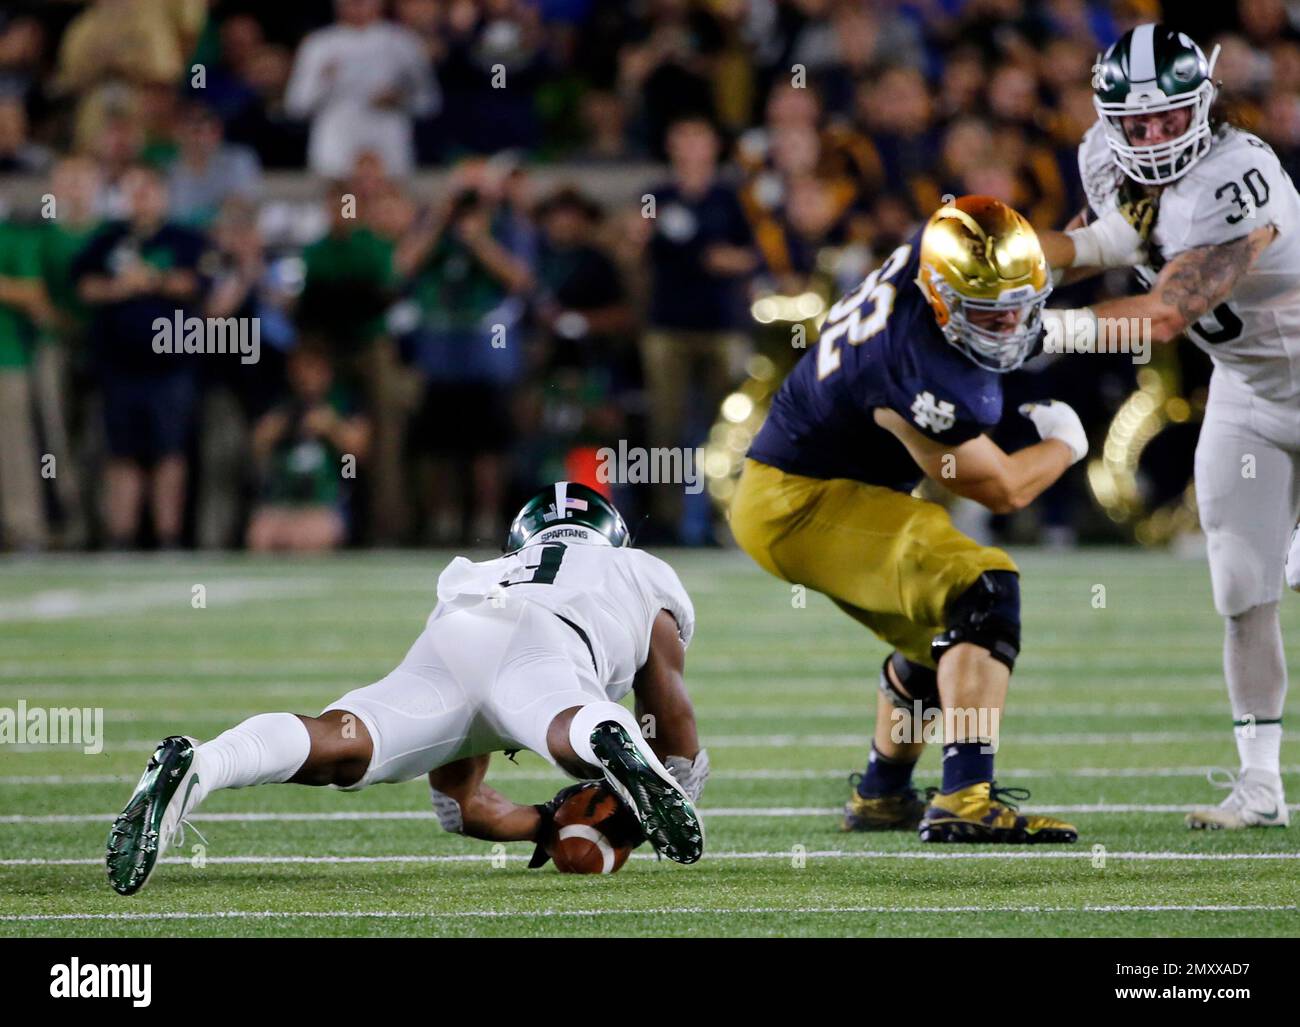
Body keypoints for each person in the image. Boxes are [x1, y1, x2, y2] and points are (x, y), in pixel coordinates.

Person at [106, 483, 708, 894]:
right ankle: (603, 735)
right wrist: (658, 800)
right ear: (614, 539)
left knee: (342, 743)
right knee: (570, 717)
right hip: (550, 644)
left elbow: (459, 804)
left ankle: (203, 765)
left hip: (463, 625)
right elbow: (669, 711)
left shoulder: (498, 569)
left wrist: (543, 823)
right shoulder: (634, 568)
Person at [729, 196, 1086, 844]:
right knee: (984, 588)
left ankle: (881, 793)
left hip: (798, 491)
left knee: (940, 631)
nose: (1007, 324)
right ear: (943, 299)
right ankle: (966, 797)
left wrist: (1101, 247)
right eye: (988, 314)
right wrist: (1066, 444)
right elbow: (1003, 490)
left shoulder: (940, 255)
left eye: (1013, 306)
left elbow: (1032, 256)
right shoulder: (913, 364)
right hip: (800, 501)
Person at [1036, 24, 1300, 830]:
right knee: (1240, 585)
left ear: (1204, 104)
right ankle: (1262, 784)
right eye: (1135, 123)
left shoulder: (1240, 174)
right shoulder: (1102, 153)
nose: (1151, 138)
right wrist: (1003, 258)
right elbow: (1108, 240)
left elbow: (1162, 314)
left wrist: (1037, 330)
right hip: (1250, 386)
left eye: (1167, 120)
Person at [72, 163, 208, 549]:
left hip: (171, 365)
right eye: (134, 190)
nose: (141, 198)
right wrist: (121, 287)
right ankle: (122, 537)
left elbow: (198, 283)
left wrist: (154, 279)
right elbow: (83, 286)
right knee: (122, 455)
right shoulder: (108, 239)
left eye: (149, 190)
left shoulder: (184, 238)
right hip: (118, 366)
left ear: (163, 195)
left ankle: (168, 536)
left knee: (169, 452)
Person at [246, 343, 370, 552]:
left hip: (325, 504)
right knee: (260, 535)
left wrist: (332, 428)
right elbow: (256, 447)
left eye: (313, 368)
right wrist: (278, 428)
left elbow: (359, 451)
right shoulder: (282, 403)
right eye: (300, 368)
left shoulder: (343, 403)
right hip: (283, 502)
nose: (306, 376)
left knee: (310, 536)